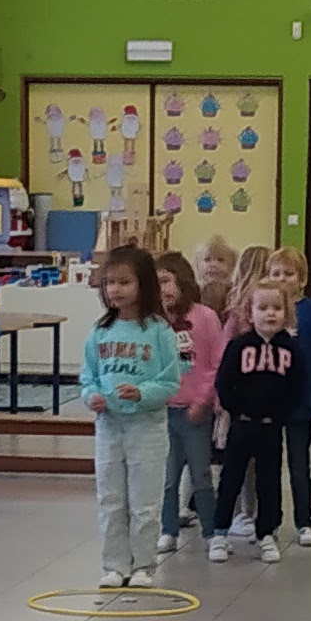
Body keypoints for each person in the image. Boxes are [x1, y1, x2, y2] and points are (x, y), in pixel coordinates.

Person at [80, 242, 183, 586]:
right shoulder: (100, 331)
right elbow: (88, 377)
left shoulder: (158, 331)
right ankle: (115, 565)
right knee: (111, 498)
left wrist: (142, 393)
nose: (115, 289)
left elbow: (170, 381)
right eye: (110, 282)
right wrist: (92, 397)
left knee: (144, 502)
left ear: (143, 284)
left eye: (124, 282)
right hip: (109, 427)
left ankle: (143, 565)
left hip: (147, 427)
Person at [212, 274, 307, 559]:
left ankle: (266, 533)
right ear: (250, 313)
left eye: (277, 308)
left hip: (271, 427)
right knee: (231, 478)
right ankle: (219, 532)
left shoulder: (291, 348)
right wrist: (236, 409)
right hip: (241, 425)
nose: (270, 314)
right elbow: (224, 382)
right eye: (263, 308)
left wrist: (281, 414)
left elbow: (298, 385)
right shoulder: (239, 346)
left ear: (286, 313)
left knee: (269, 482)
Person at [159, 268, 228, 555]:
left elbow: (216, 363)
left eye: (166, 281)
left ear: (182, 281)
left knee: (201, 474)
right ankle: (168, 530)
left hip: (195, 410)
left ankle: (212, 533)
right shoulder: (154, 321)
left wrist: (203, 399)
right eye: (155, 283)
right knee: (168, 477)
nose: (162, 289)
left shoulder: (205, 317)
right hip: (163, 410)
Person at [271, 250, 311, 547]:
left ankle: (304, 522)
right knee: (269, 466)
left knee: (299, 467)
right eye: (276, 274)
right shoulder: (266, 310)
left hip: (301, 406)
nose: (282, 279)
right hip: (270, 405)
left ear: (302, 279)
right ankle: (269, 521)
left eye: (289, 274)